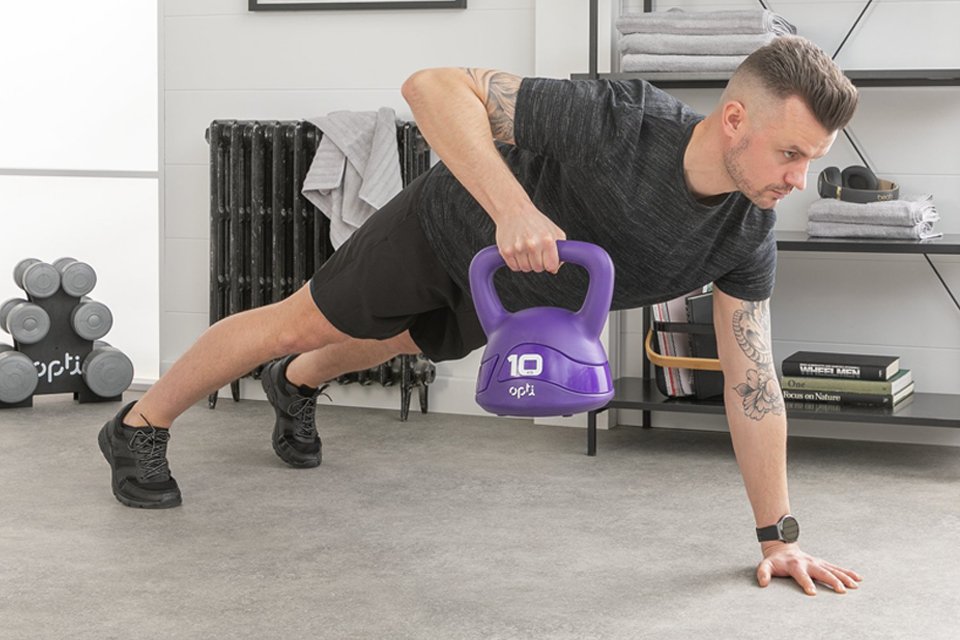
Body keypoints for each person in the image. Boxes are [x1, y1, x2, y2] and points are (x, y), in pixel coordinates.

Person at [98, 35, 863, 596]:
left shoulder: (747, 232)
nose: (800, 179)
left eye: (813, 160)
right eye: (791, 154)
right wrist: (514, 208)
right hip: (448, 229)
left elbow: (752, 382)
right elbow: (432, 85)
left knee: (391, 342)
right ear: (734, 121)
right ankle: (137, 428)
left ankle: (293, 386)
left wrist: (779, 537)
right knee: (307, 318)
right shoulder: (620, 122)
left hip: (521, 304)